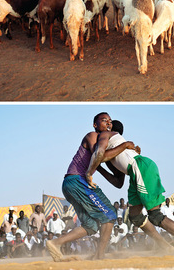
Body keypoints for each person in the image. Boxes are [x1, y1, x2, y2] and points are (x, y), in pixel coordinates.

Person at [86, 117, 174, 253]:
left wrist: (92, 167)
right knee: (135, 216)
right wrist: (98, 167)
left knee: (155, 215)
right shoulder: (113, 152)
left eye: (109, 122)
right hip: (135, 172)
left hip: (141, 168)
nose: (107, 125)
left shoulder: (106, 135)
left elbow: (100, 154)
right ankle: (165, 246)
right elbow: (118, 182)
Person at [45, 112, 130, 262]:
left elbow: (118, 182)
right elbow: (98, 154)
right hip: (76, 180)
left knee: (91, 225)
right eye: (104, 121)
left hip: (72, 184)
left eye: (110, 122)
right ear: (95, 125)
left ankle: (55, 243)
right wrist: (124, 146)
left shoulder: (102, 142)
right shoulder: (92, 135)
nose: (108, 124)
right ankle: (99, 255)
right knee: (109, 213)